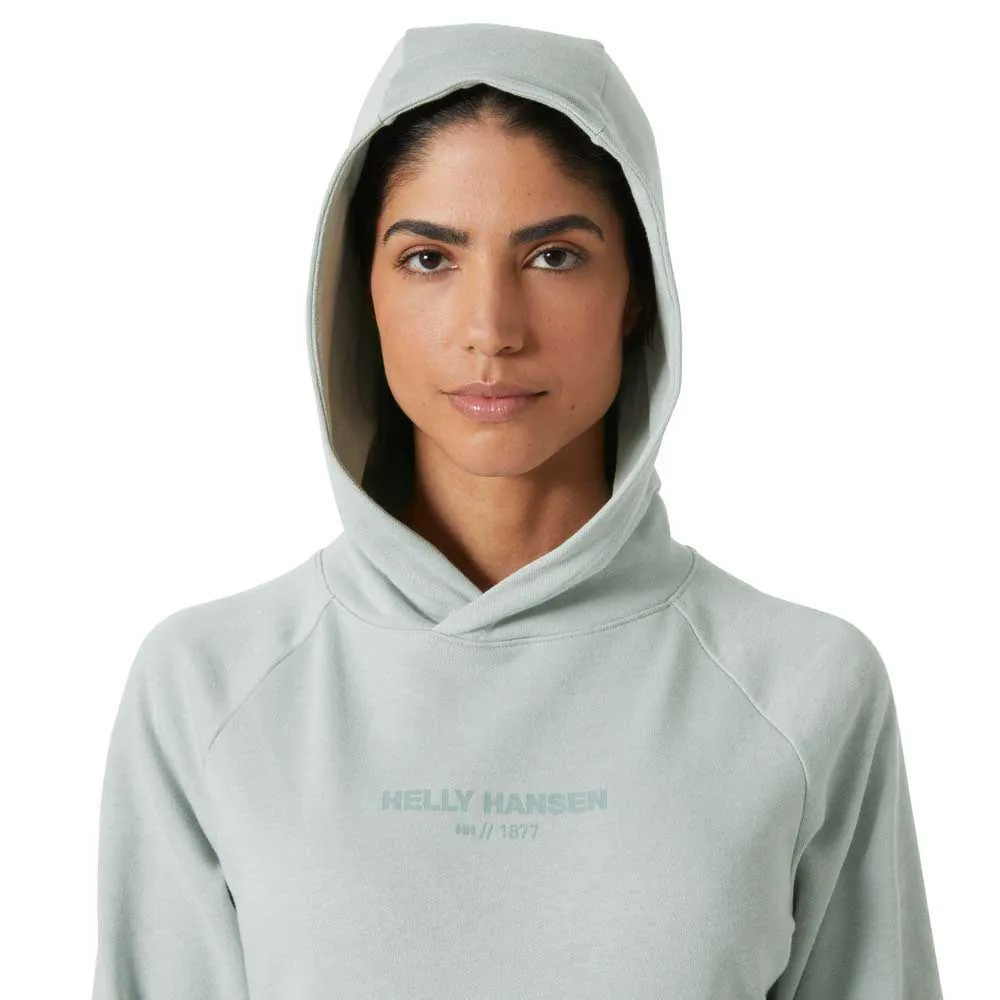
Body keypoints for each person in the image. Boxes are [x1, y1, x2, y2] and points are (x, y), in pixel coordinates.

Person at [90, 22, 944, 999]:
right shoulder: (207, 689)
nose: (490, 330)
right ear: (360, 290)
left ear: (637, 290)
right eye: (429, 259)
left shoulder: (802, 690)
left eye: (553, 256)